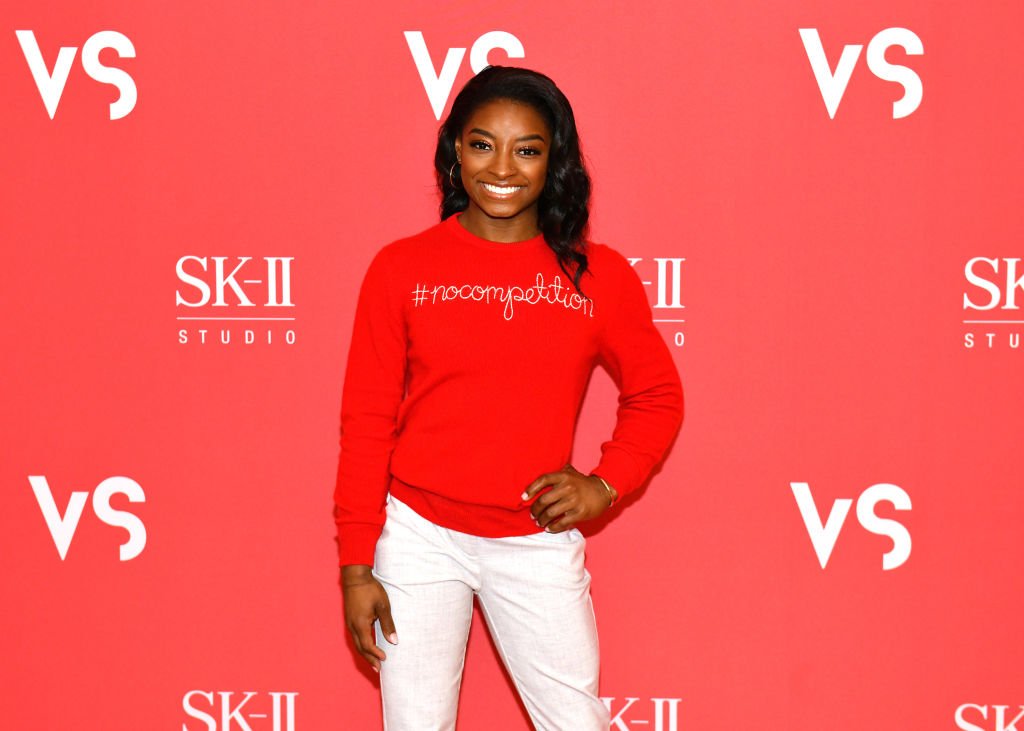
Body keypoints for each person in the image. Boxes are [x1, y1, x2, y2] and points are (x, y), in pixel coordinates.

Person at [333, 65, 684, 730]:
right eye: (481, 143)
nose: (503, 166)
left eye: (527, 149)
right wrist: (357, 565)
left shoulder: (596, 275)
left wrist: (605, 485)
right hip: (417, 537)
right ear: (454, 151)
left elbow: (658, 395)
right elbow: (367, 421)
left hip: (533, 539)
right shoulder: (400, 268)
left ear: (554, 160)